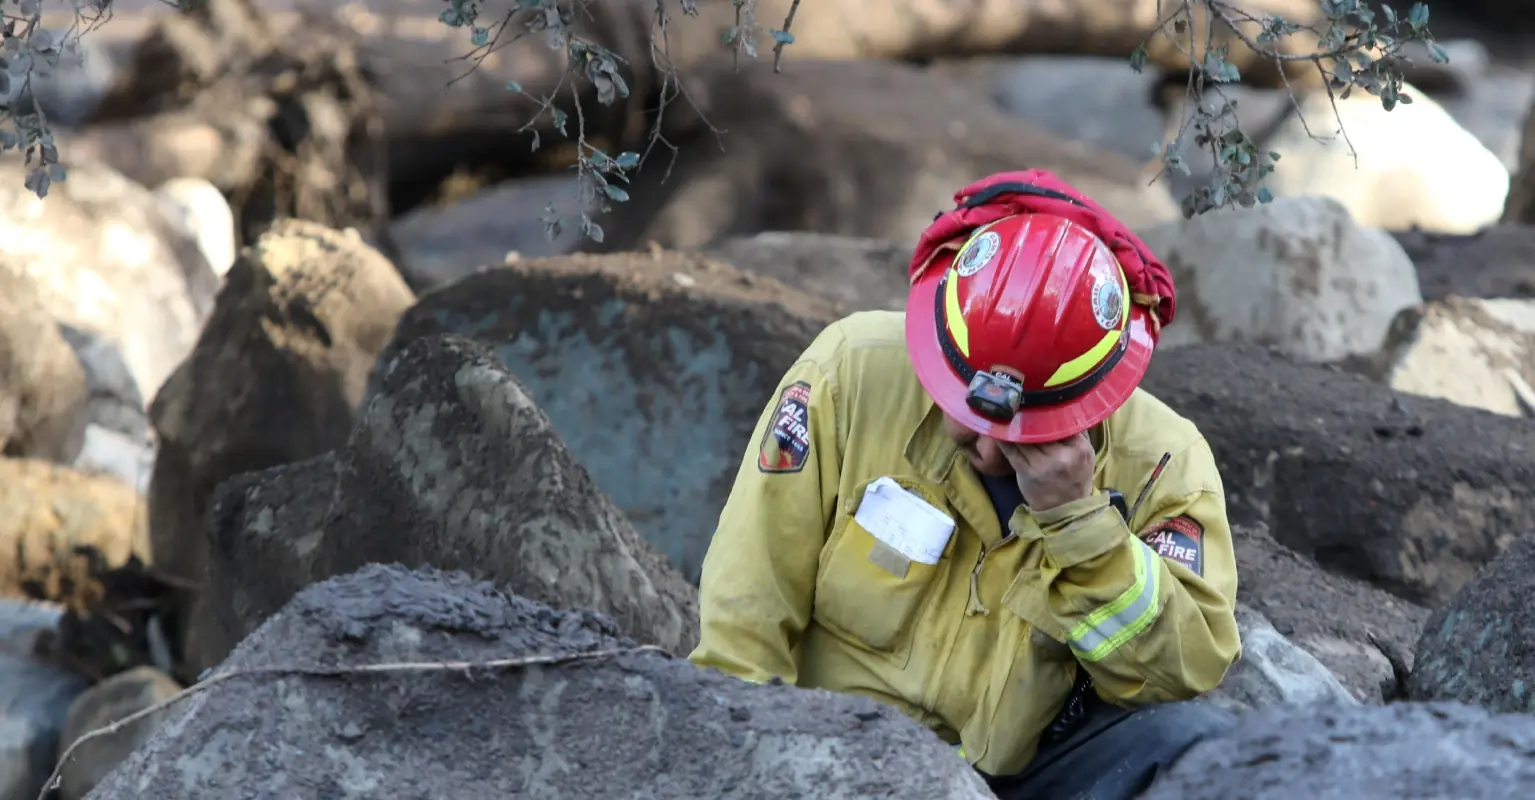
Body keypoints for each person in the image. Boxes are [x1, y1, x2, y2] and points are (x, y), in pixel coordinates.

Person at [687, 169, 1243, 799]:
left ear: (1091, 407)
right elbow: (746, 615)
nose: (983, 446)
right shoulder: (850, 373)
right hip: (835, 765)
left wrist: (1082, 527)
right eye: (968, 411)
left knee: (1196, 750)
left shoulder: (1164, 463)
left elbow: (1180, 674)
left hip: (1017, 777)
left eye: (1016, 434)